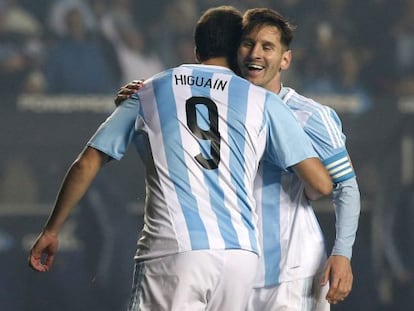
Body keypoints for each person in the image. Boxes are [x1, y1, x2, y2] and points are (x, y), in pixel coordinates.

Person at [28, 6, 332, 311]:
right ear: (238, 49)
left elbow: (87, 162)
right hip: (241, 258)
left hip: (175, 249)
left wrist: (52, 229)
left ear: (196, 48)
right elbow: (320, 182)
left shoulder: (151, 90)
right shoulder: (262, 100)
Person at [115, 7, 360, 310]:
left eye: (267, 47)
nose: (255, 53)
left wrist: (343, 253)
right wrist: (142, 101)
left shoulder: (310, 116)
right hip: (235, 270)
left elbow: (343, 187)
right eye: (248, 43)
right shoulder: (210, 104)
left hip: (290, 275)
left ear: (285, 59)